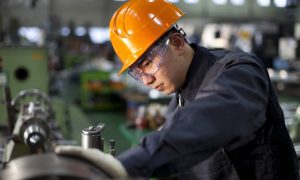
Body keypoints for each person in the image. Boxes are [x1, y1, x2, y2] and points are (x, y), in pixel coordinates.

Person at [55, 0, 300, 179]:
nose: (146, 80)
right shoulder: (176, 106)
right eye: (137, 72)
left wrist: (129, 164)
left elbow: (207, 120)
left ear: (177, 42)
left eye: (148, 63)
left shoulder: (238, 70)